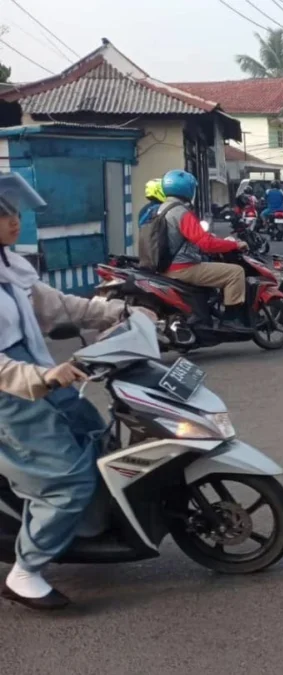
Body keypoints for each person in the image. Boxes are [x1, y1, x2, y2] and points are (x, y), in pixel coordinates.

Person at [0, 173, 155, 610]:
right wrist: (44, 378)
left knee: (97, 436)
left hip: (41, 379)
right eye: (4, 213)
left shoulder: (11, 267)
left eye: (14, 212)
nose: (14, 221)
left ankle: (83, 527)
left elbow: (62, 307)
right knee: (66, 481)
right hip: (13, 397)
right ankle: (25, 570)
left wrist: (121, 311)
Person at [157, 170, 251, 331]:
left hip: (164, 266)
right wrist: (234, 245)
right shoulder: (181, 212)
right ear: (188, 189)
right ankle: (231, 319)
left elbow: (191, 237)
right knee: (235, 272)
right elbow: (206, 244)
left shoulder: (161, 209)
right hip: (183, 267)